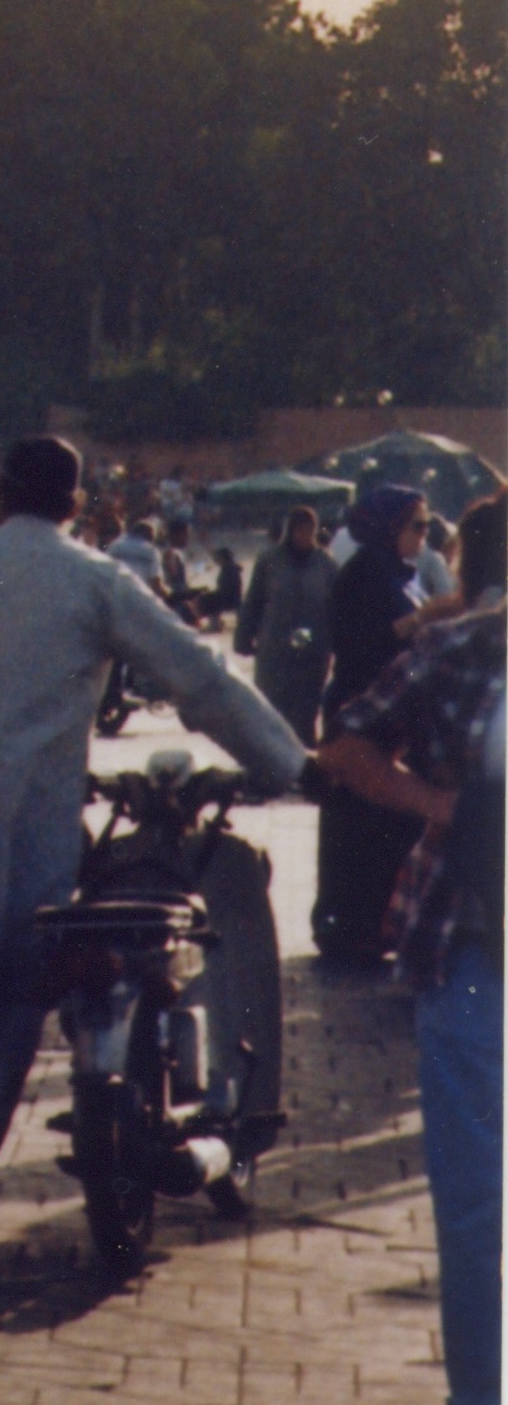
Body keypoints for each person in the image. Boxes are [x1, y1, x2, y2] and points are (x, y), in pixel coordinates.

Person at [0, 434, 304, 1239]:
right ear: (75, 505)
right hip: (21, 811)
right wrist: (287, 760)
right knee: (16, 965)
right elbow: (197, 677)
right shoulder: (92, 576)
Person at [314, 581, 502, 1405]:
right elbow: (344, 746)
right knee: (473, 1214)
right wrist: (444, 806)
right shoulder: (460, 649)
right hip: (472, 947)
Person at [315, 485, 437, 968]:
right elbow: (366, 639)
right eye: (417, 527)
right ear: (391, 527)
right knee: (359, 825)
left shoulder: (403, 574)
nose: (424, 537)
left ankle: (373, 927)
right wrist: (431, 617)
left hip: (391, 718)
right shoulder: (365, 573)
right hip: (361, 713)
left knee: (384, 826)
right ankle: (352, 931)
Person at [240, 506, 341, 742]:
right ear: (290, 530)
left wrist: (341, 645)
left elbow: (337, 608)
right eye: (300, 530)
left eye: (309, 530)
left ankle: (304, 768)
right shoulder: (269, 561)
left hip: (313, 651)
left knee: (305, 715)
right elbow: (253, 601)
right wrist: (244, 637)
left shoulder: (326, 565)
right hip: (274, 648)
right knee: (270, 711)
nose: (304, 536)